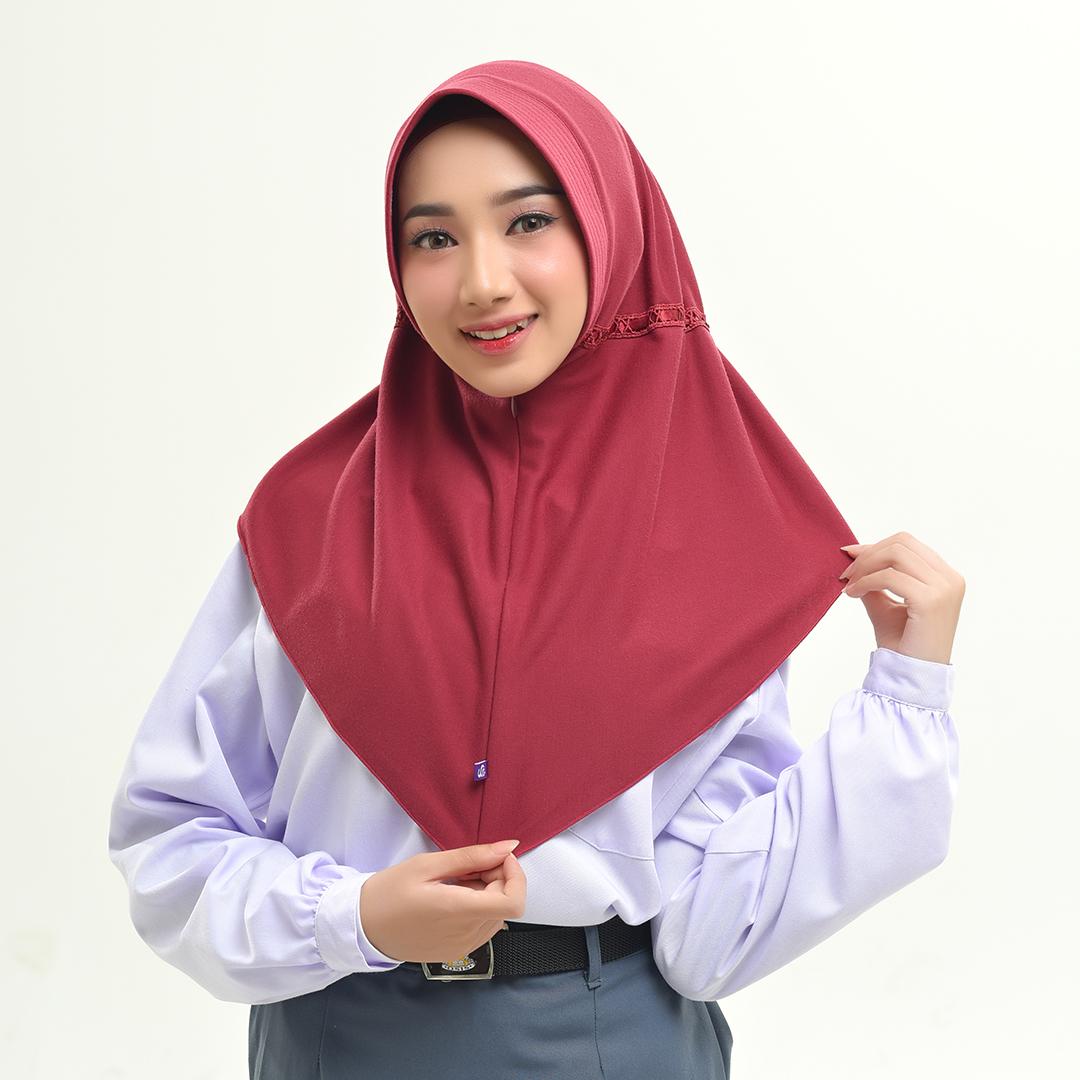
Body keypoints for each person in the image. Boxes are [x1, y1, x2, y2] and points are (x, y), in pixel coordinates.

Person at [108, 60, 965, 1080]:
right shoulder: (310, 524)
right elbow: (170, 838)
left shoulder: (716, 543)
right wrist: (355, 916)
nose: (481, 281)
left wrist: (904, 702)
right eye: (433, 238)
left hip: (611, 1042)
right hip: (337, 1034)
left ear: (612, 233)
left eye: (528, 222)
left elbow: (708, 937)